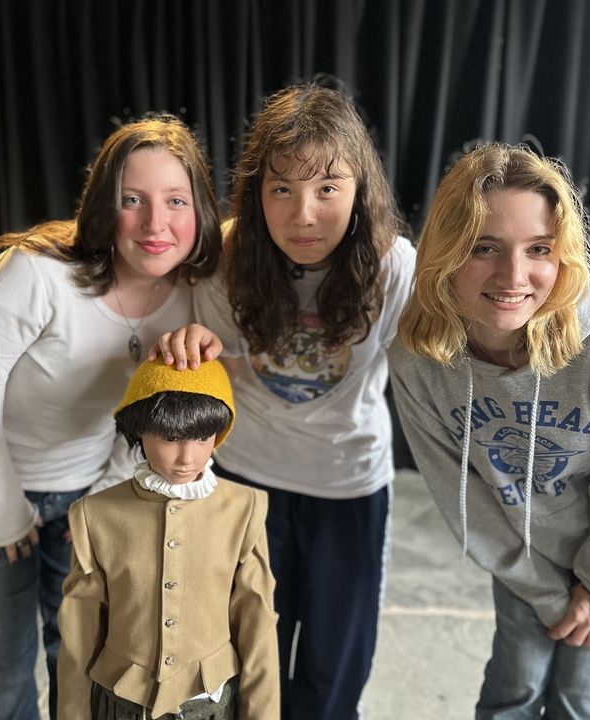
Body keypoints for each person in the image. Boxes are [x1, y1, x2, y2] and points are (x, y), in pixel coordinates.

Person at [0, 115, 222, 720]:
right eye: (131, 200)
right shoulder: (34, 275)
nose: (155, 223)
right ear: (103, 205)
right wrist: (7, 517)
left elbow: (139, 416)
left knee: (85, 664)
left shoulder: (192, 292)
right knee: (2, 668)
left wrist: (103, 492)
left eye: (176, 201)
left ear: (201, 212)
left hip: (83, 493)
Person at [388, 142, 590, 719]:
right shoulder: (418, 360)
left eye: (538, 249)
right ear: (446, 253)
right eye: (484, 248)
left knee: (579, 697)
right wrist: (544, 589)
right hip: (521, 554)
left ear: (565, 257)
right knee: (514, 687)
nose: (513, 275)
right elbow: (461, 494)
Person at [158, 83, 417, 719]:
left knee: (334, 674)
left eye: (327, 188)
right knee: (249, 663)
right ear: (257, 192)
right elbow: (217, 372)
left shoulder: (392, 267)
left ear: (359, 191)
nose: (304, 214)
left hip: (348, 485)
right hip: (248, 482)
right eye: (282, 189)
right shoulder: (227, 260)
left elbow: (424, 371)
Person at [57, 358, 280, 719]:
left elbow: (257, 625)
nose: (187, 457)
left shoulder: (244, 509)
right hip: (121, 702)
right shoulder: (93, 514)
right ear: (140, 429)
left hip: (210, 703)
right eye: (170, 437)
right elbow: (79, 635)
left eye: (203, 437)